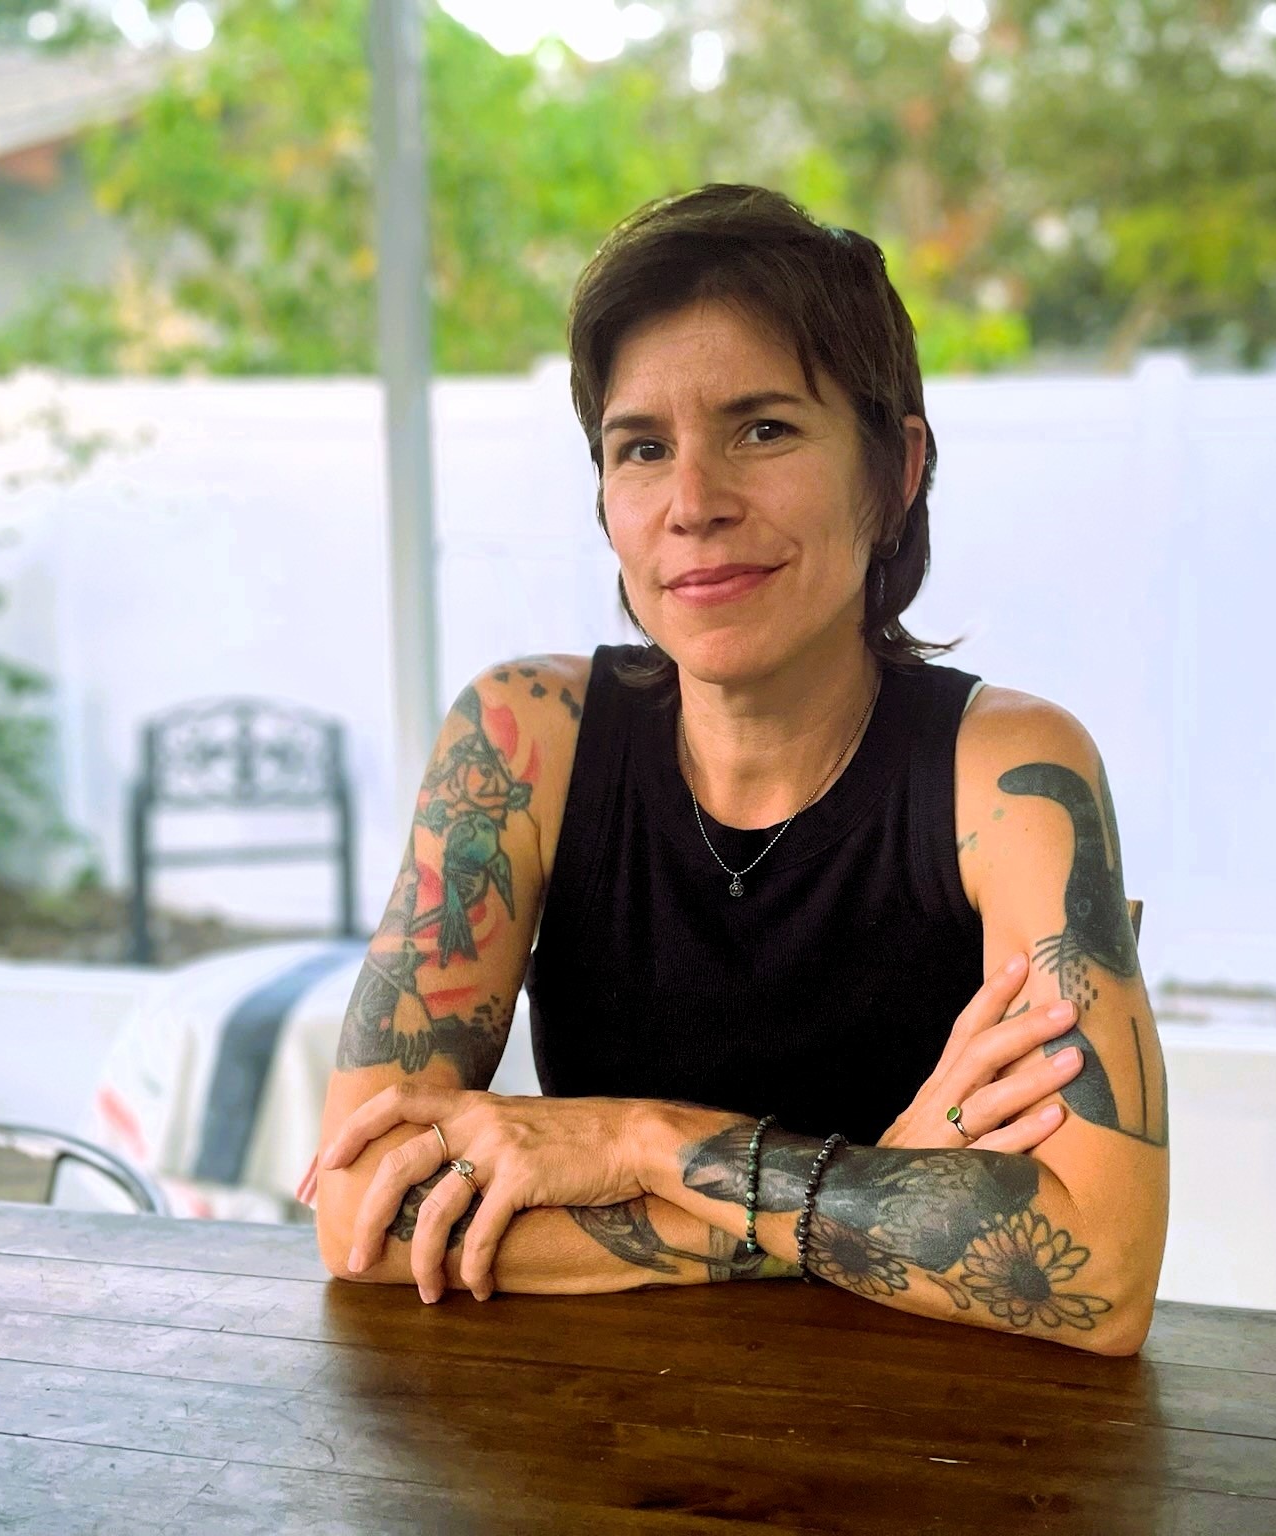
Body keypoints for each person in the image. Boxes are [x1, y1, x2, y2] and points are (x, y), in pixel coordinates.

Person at [310, 184, 1169, 1355]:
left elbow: (1095, 1271)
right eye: (641, 448)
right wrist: (885, 1185)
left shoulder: (1008, 771)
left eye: (763, 428)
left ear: (893, 470)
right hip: (584, 1453)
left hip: (942, 1458)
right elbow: (366, 1220)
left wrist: (642, 1143)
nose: (693, 504)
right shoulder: (524, 739)